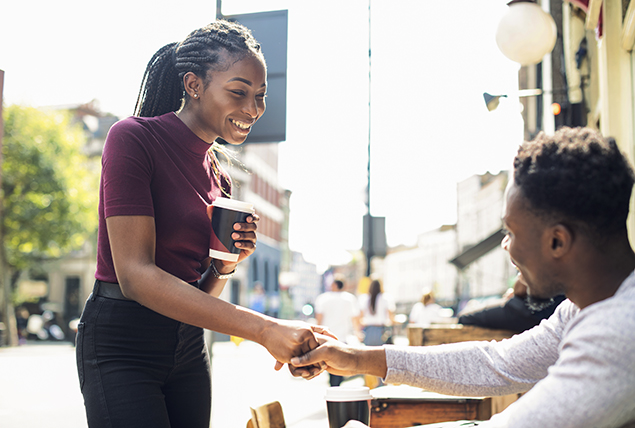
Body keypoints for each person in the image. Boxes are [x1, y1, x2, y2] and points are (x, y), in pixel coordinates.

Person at [291, 127, 635, 428]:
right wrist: (355, 358)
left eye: (511, 232)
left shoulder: (620, 329)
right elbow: (498, 364)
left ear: (557, 241)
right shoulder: (587, 306)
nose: (505, 246)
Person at [75, 20, 323, 428]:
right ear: (193, 84)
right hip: (123, 345)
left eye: (259, 96)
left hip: (188, 346)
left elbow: (200, 293)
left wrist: (226, 264)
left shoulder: (219, 177)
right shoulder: (133, 138)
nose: (253, 109)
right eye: (238, 92)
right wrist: (264, 329)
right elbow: (136, 276)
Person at [458, 276, 565, 333]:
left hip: (532, 311)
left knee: (466, 317)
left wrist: (518, 290)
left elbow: (521, 287)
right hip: (549, 309)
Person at [314, 277, 361, 386]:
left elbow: (319, 319)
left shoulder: (323, 299)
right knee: (339, 365)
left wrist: (316, 334)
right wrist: (358, 332)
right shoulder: (350, 299)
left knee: (329, 365)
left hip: (326, 337)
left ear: (334, 285)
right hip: (342, 338)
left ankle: (333, 387)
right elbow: (355, 318)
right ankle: (336, 387)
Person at [358, 279, 395, 346]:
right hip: (381, 331)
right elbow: (391, 317)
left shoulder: (364, 298)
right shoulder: (386, 298)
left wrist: (359, 331)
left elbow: (360, 317)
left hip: (368, 331)